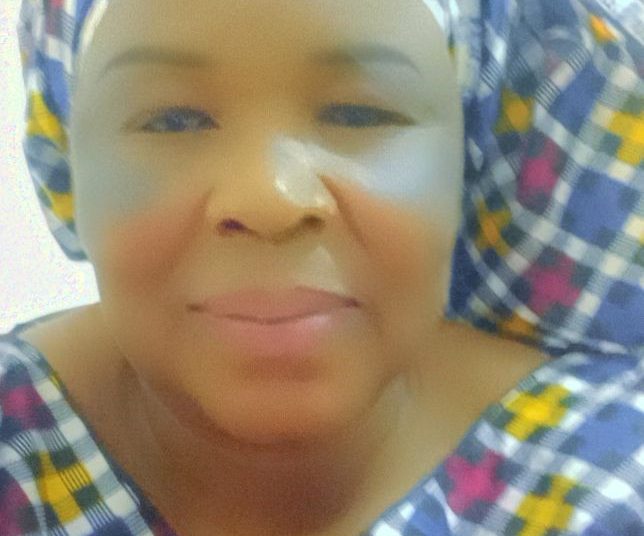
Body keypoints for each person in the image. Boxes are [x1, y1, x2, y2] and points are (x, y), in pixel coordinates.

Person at [1, 0, 641, 534]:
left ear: (466, 154)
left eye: (359, 113)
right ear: (69, 164)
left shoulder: (606, 476)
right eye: (172, 120)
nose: (270, 199)